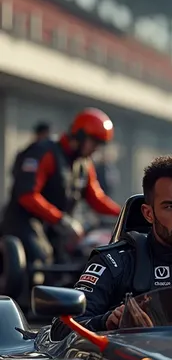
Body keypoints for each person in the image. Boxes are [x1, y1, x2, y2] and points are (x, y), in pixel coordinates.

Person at [50, 154, 172, 338]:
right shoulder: (114, 264)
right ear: (148, 213)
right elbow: (59, 330)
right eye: (171, 206)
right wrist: (108, 321)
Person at [1, 108, 121, 268]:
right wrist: (62, 220)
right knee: (41, 261)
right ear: (80, 136)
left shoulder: (84, 164)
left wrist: (125, 213)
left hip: (55, 228)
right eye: (95, 142)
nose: (96, 149)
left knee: (76, 259)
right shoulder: (45, 152)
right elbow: (27, 195)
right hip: (25, 223)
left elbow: (96, 198)